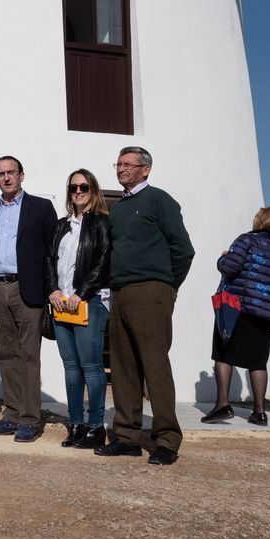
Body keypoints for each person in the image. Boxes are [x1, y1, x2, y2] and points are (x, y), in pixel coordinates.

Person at [95, 146, 194, 466]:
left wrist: (168, 286)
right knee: (123, 368)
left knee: (154, 366)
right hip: (120, 292)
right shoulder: (120, 209)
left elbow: (184, 249)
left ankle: (166, 439)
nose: (121, 168)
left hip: (152, 290)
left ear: (146, 169)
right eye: (118, 164)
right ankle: (126, 437)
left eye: (128, 164)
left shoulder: (159, 200)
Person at [0, 156, 57, 443]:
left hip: (29, 288)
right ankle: (12, 414)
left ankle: (29, 418)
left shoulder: (41, 207)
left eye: (11, 172)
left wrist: (52, 288)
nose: (7, 178)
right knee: (6, 354)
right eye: (0, 174)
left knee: (29, 355)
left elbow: (52, 251)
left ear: (21, 175)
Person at [43, 169, 111, 450]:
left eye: (84, 186)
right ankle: (76, 424)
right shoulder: (61, 226)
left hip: (90, 302)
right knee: (71, 368)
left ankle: (96, 426)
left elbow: (104, 262)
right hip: (61, 303)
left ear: (93, 189)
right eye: (74, 188)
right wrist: (53, 291)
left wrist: (81, 295)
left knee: (91, 366)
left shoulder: (102, 223)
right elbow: (48, 260)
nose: (79, 191)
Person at [202, 207, 270, 426]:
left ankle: (223, 405)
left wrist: (223, 259)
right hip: (265, 313)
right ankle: (259, 412)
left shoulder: (246, 240)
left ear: (259, 220)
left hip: (239, 307)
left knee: (223, 354)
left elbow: (231, 267)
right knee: (258, 362)